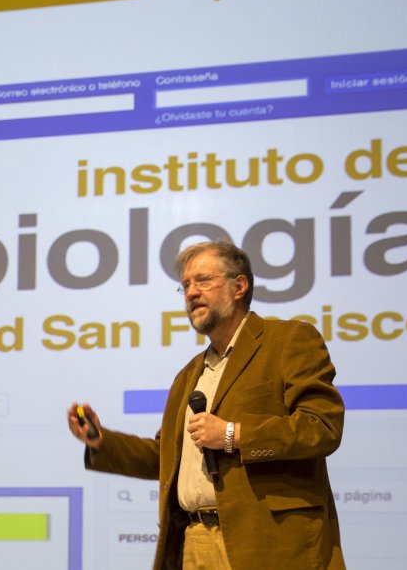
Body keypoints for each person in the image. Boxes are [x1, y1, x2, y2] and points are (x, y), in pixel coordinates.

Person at [68, 240, 344, 569]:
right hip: (194, 541)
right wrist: (100, 440)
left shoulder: (288, 341)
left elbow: (322, 428)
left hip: (269, 542)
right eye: (185, 285)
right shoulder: (188, 375)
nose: (191, 292)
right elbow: (167, 458)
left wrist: (232, 434)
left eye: (203, 280)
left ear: (239, 286)